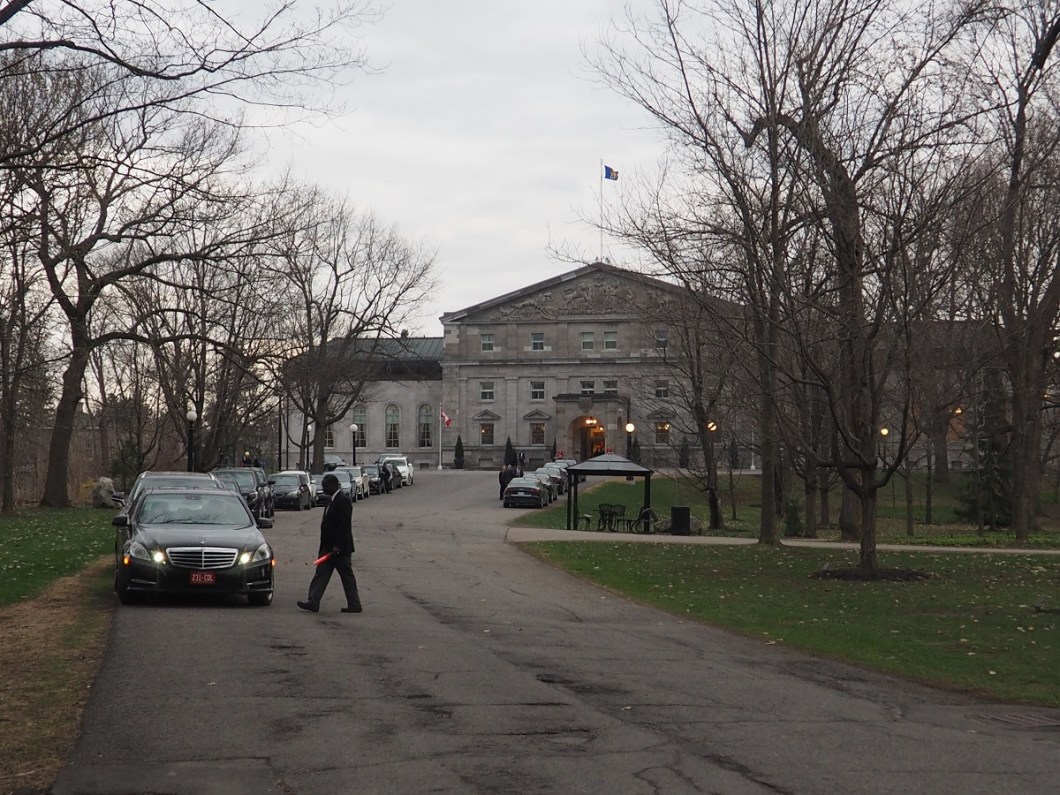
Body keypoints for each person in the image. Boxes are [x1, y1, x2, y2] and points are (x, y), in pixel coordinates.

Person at [298, 473, 363, 614]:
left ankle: (354, 604)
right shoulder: (331, 501)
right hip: (328, 548)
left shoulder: (343, 501)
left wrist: (338, 546)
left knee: (346, 576)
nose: (323, 488)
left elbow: (343, 526)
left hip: (339, 549)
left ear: (333, 485)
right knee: (321, 574)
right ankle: (313, 601)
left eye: (325, 486)